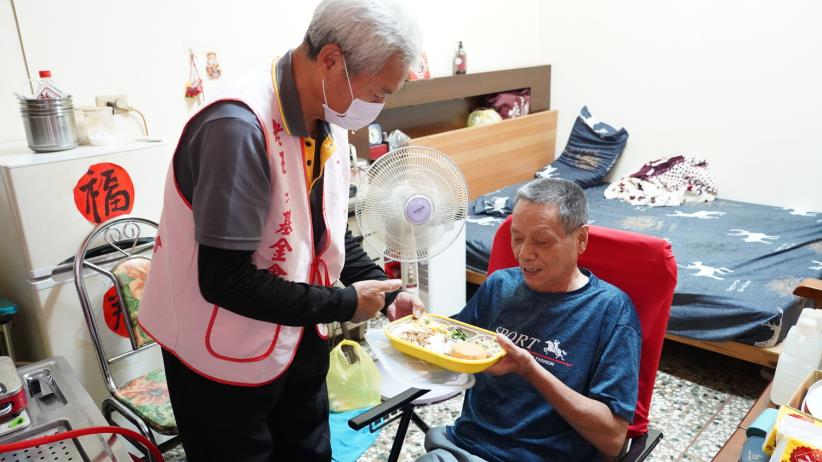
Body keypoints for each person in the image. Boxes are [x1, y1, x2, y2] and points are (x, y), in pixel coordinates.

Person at [137, 1, 423, 460]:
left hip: (294, 333)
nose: (378, 106)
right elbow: (224, 280)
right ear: (331, 59)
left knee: (308, 448)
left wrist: (385, 291)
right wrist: (347, 303)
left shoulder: (328, 113)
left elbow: (325, 229)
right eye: (378, 92)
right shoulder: (237, 126)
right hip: (219, 351)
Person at [418, 178, 642, 462]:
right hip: (464, 447)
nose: (524, 254)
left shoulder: (611, 311)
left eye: (542, 241)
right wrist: (416, 324)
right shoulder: (499, 286)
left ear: (581, 239)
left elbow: (612, 439)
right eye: (517, 237)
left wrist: (531, 370)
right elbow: (447, 348)